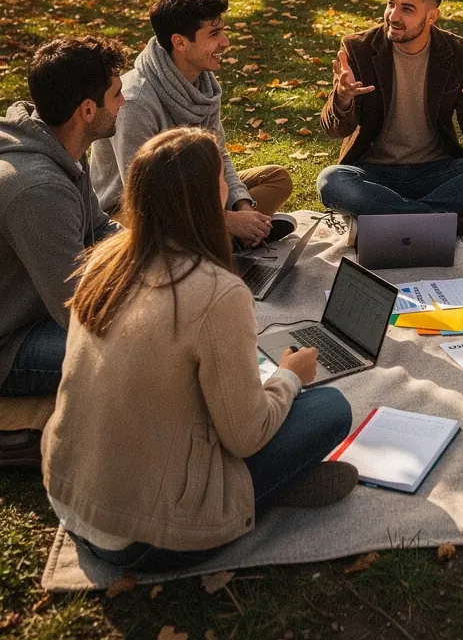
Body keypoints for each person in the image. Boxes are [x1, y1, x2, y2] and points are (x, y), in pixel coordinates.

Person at [43, 127, 355, 573]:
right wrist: (289, 376)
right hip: (144, 539)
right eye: (221, 181)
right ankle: (262, 493)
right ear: (208, 200)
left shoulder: (103, 261)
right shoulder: (217, 293)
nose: (230, 186)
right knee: (328, 409)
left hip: (72, 501)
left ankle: (266, 487)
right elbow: (245, 435)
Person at [317, 0, 463, 239]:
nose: (393, 16)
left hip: (436, 172)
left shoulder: (459, 53)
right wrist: (342, 99)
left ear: (431, 16)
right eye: (390, 4)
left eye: (407, 9)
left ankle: (390, 221)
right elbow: (336, 130)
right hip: (374, 173)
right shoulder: (357, 49)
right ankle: (450, 223)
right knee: (331, 180)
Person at [0, 38, 125, 465]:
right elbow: (77, 310)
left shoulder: (60, 148)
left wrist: (157, 257)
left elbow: (99, 227)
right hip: (11, 342)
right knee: (142, 352)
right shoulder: (38, 190)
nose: (124, 102)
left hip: (37, 308)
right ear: (87, 111)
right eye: (116, 94)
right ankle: (20, 428)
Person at [91, 0, 293, 246]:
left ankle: (226, 238)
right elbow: (143, 192)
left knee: (276, 178)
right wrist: (224, 219)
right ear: (180, 42)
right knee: (160, 234)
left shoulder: (203, 83)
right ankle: (222, 240)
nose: (225, 42)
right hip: (135, 210)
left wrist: (242, 207)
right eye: (214, 34)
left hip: (196, 191)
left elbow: (219, 154)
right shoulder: (135, 100)